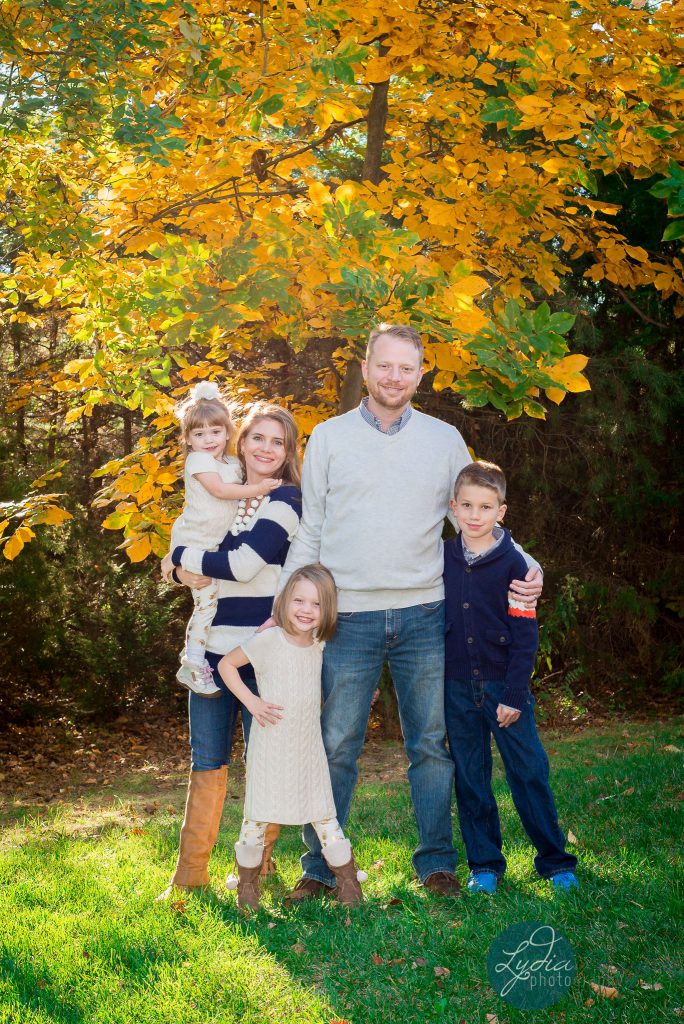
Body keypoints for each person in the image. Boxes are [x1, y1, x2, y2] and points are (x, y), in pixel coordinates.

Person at [277, 323, 543, 902]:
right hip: (347, 616)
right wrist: (288, 600)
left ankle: (437, 865)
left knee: (429, 744)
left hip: (426, 614)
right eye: (384, 366)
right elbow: (312, 529)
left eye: (406, 368)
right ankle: (320, 868)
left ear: (420, 373)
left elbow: (475, 515)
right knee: (337, 743)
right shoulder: (328, 437)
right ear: (366, 367)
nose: (394, 377)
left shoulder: (444, 440)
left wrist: (525, 560)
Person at [157, 403, 302, 900]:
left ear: (288, 453)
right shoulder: (223, 487)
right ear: (241, 442)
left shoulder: (285, 500)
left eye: (277, 441)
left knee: (265, 762)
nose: (265, 448)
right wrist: (176, 569)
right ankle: (189, 877)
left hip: (262, 652)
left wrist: (176, 559)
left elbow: (241, 566)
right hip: (212, 651)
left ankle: (254, 872)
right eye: (257, 437)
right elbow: (193, 534)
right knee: (207, 760)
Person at [444, 460, 579, 894]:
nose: (475, 515)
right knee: (470, 776)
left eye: (485, 507)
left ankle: (555, 862)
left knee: (528, 772)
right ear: (454, 507)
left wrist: (516, 694)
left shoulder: (518, 566)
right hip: (457, 687)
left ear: (501, 511)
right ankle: (484, 864)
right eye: (467, 505)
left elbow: (526, 636)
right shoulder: (442, 556)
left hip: (506, 686)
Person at [219, 564, 365, 910]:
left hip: (307, 746)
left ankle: (347, 884)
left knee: (323, 812)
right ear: (284, 602)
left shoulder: (319, 643)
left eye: (317, 604)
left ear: (327, 610)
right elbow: (227, 665)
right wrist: (251, 701)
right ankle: (248, 888)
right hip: (270, 745)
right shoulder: (268, 640)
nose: (306, 610)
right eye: (299, 600)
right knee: (257, 816)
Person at [168, 382, 282, 696]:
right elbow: (220, 491)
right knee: (205, 606)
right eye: (199, 435)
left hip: (206, 547)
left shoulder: (232, 464)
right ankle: (193, 662)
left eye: (215, 432)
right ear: (188, 439)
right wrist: (176, 563)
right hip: (196, 541)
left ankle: (194, 655)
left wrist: (177, 566)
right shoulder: (199, 462)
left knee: (209, 602)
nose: (208, 440)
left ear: (228, 432)